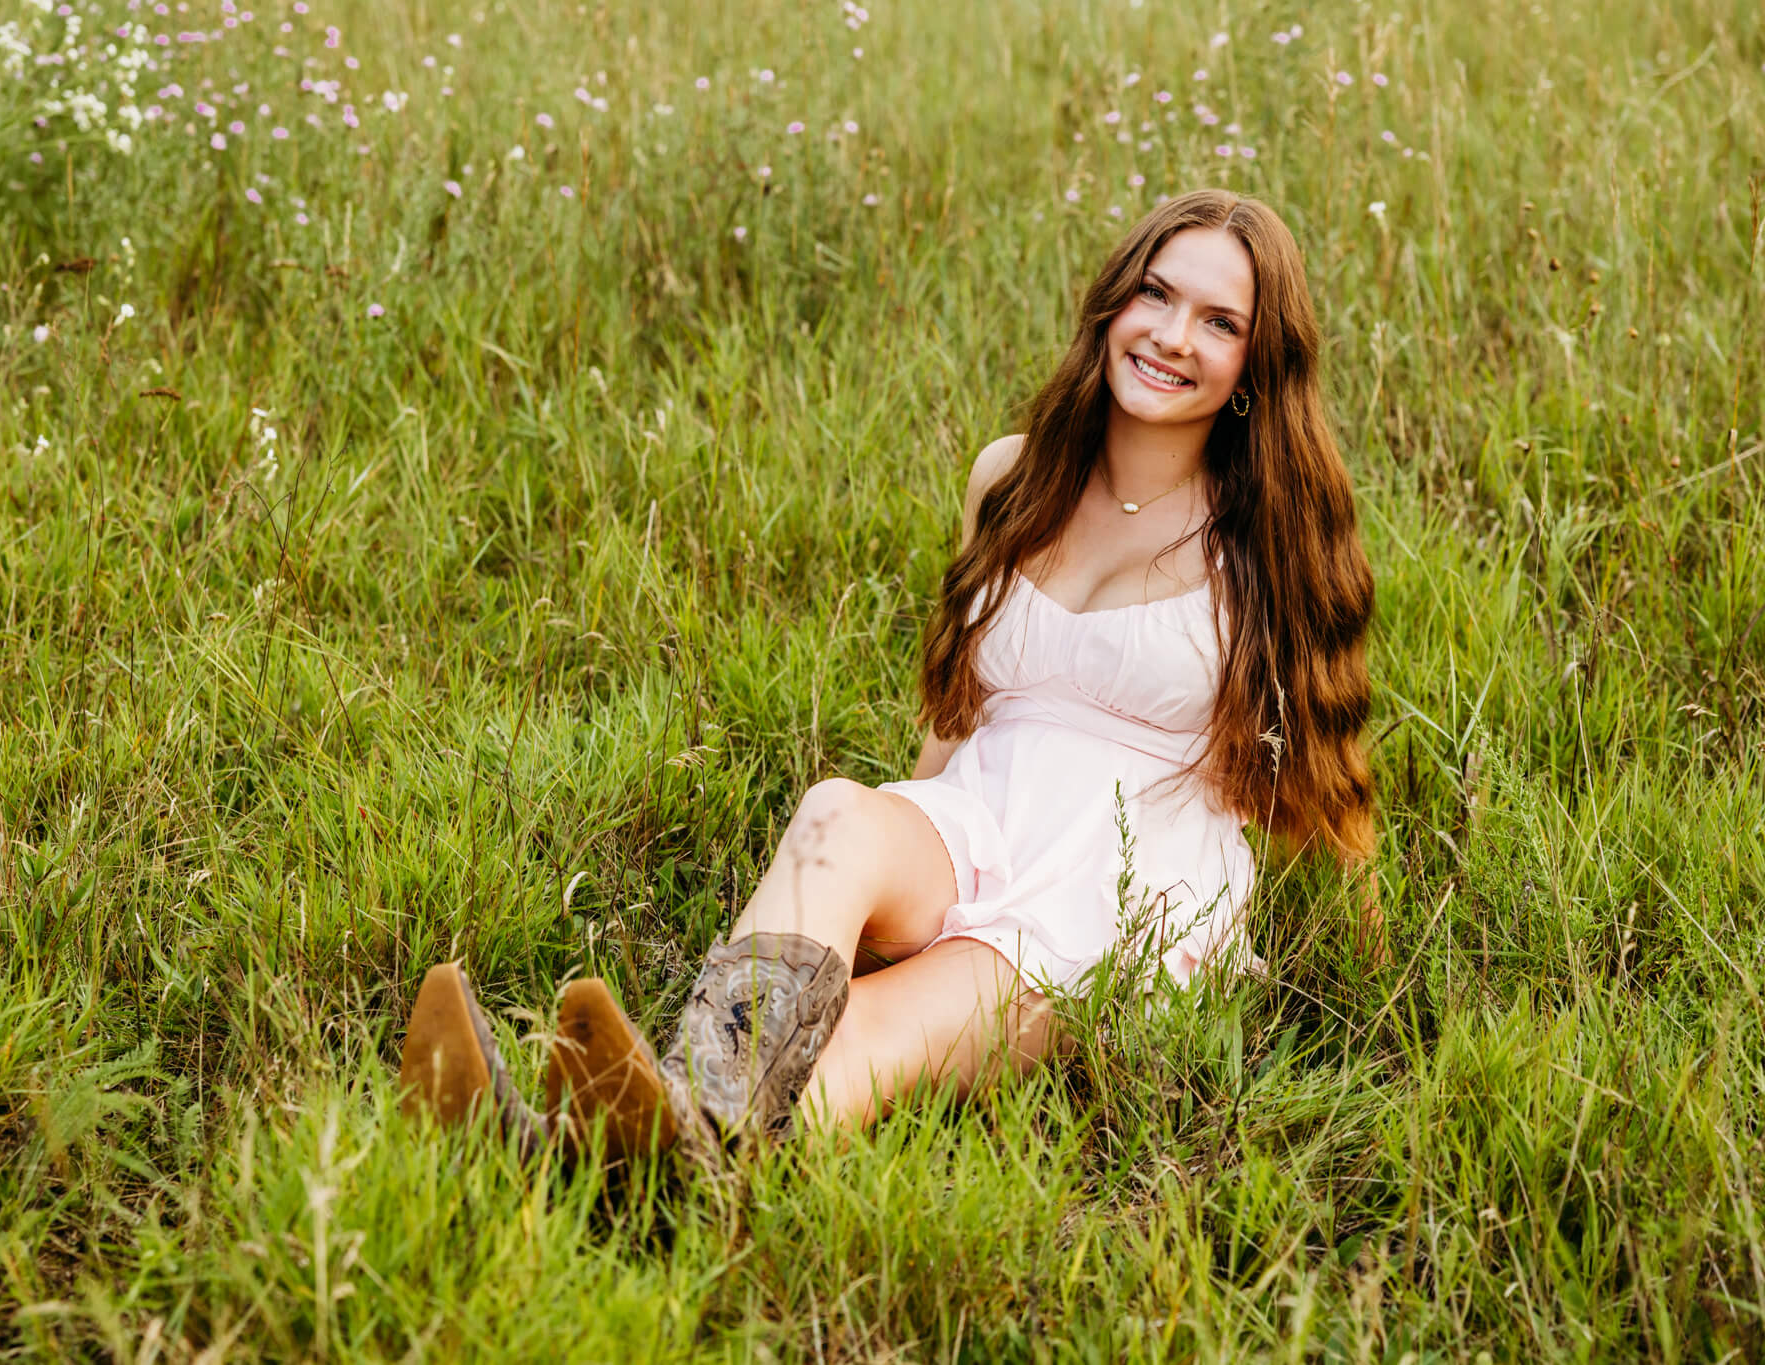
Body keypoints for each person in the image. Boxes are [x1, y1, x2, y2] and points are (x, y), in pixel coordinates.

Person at [397, 187, 1381, 1170]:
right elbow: (957, 710)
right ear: (1110, 304)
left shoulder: (1269, 537)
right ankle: (668, 1132)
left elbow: (1335, 768)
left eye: (1218, 322)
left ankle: (590, 1157)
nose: (1170, 335)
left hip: (1126, 894)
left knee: (866, 1031)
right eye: (1153, 294)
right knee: (838, 813)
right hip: (978, 820)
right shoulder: (1012, 479)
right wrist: (882, 882)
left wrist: (1373, 983)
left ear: (1255, 366)